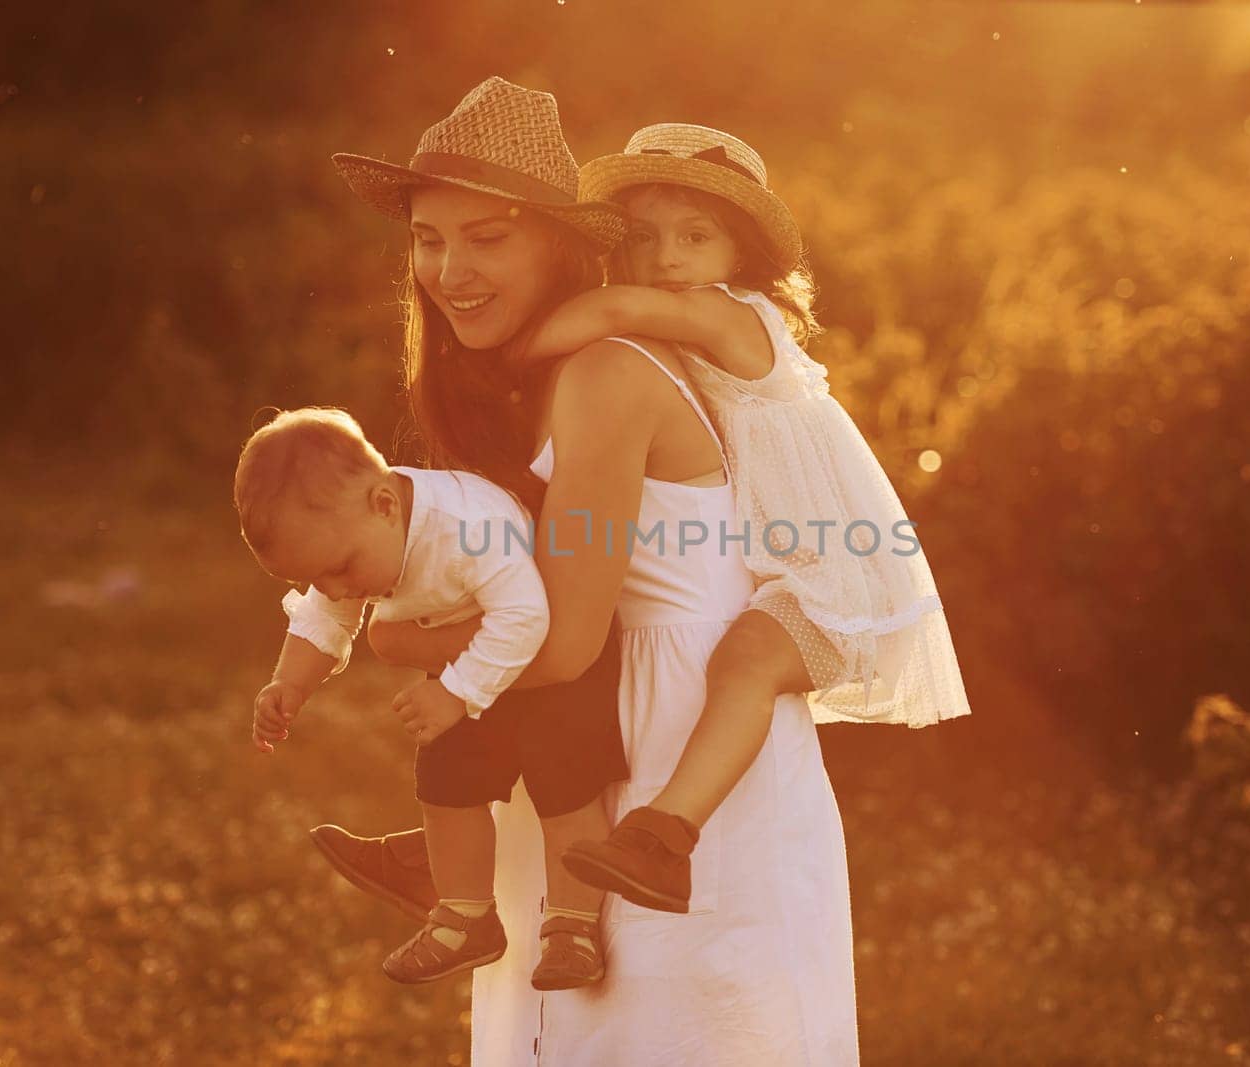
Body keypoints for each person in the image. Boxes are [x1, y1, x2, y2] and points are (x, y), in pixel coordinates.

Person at [328, 77, 860, 1063]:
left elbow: (562, 635)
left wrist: (402, 636)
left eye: (489, 237)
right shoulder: (527, 384)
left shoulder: (606, 374)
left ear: (566, 244)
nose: (451, 270)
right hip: (575, 761)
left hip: (668, 763)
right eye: (429, 239)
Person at [510, 123, 973, 913]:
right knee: (730, 662)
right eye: (644, 238)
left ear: (742, 257)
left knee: (746, 664)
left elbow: (613, 306)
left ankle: (665, 839)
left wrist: (499, 357)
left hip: (842, 579)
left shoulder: (737, 317)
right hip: (789, 573)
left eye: (696, 237)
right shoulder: (677, 327)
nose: (667, 259)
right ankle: (461, 844)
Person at [232, 406, 621, 990]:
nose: (340, 590)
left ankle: (573, 925)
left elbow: (526, 616)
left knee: (565, 781)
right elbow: (324, 615)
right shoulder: (354, 538)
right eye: (319, 577)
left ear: (386, 505)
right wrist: (289, 683)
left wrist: (455, 693)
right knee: (444, 781)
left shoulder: (468, 527)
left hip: (546, 655)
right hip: (468, 656)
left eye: (340, 570)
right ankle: (467, 916)